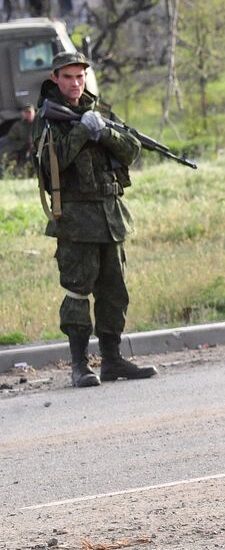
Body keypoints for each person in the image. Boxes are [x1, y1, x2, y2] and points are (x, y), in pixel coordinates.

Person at [37, 51, 158, 388]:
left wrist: (103, 132)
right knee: (77, 293)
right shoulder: (48, 119)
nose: (75, 84)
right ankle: (79, 365)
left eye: (80, 77)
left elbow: (131, 150)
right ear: (55, 80)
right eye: (67, 77)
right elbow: (52, 163)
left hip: (110, 217)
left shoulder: (100, 112)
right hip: (75, 219)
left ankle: (113, 360)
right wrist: (80, 133)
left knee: (114, 292)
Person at [1, 105, 37, 176]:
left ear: (34, 112)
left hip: (36, 149)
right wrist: (22, 145)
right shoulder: (18, 125)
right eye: (26, 112)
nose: (28, 114)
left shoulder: (39, 124)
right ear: (23, 114)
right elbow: (11, 139)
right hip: (21, 150)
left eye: (29, 112)